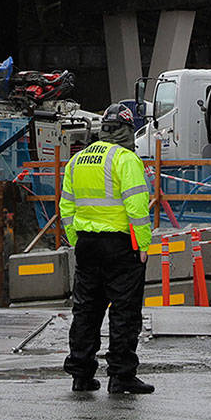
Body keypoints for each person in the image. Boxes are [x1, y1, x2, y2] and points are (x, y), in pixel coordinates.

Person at [60, 104, 154, 395]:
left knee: (86, 310)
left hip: (87, 245)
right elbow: (137, 208)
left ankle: (81, 375)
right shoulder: (125, 159)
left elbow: (66, 208)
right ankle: (121, 376)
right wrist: (143, 244)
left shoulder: (77, 160)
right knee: (124, 312)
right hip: (121, 246)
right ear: (127, 130)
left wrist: (78, 242)